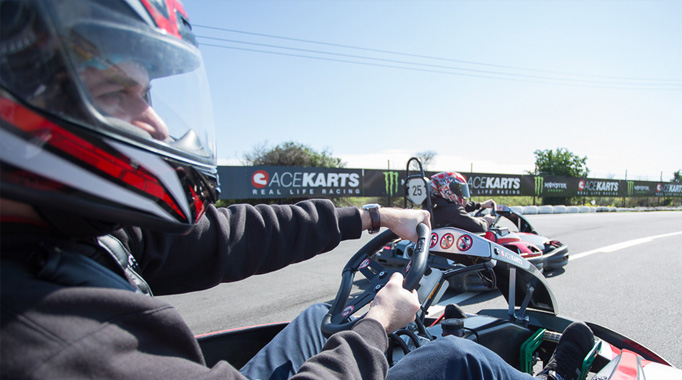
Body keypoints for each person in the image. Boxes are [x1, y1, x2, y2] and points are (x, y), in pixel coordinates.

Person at [0, 1, 593, 379]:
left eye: (147, 95)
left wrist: (369, 216)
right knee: (454, 359)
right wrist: (377, 326)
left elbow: (225, 237)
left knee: (318, 317)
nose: (153, 123)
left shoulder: (63, 235)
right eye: (114, 94)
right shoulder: (56, 345)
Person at [428, 171, 496, 232]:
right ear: (446, 189)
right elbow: (480, 227)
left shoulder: (434, 206)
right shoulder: (452, 212)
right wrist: (486, 221)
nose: (461, 193)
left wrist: (480, 204)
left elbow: (460, 207)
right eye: (458, 189)